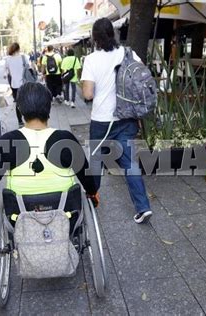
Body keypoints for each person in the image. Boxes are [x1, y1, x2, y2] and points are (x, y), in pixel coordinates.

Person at [0, 82, 100, 254]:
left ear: (20, 110)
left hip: (19, 216)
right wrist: (92, 193)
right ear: (49, 108)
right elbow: (85, 175)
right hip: (66, 214)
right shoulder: (65, 139)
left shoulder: (8, 141)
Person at [81, 18, 152, 224]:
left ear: (95, 38)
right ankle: (143, 207)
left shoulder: (92, 60)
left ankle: (92, 201)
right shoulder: (128, 53)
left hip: (102, 121)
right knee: (129, 163)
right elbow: (142, 76)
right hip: (126, 117)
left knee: (96, 163)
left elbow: (87, 94)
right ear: (112, 33)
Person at [5, 42, 30, 127]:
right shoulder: (24, 57)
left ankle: (20, 121)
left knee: (18, 103)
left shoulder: (8, 59)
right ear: (18, 49)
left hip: (14, 85)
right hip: (24, 83)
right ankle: (28, 119)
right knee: (26, 101)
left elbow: (7, 72)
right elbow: (29, 68)